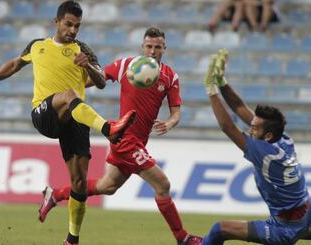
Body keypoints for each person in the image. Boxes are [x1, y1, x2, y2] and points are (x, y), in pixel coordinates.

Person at [0, 1, 136, 245]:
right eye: (68, 24)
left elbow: (101, 81)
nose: (73, 30)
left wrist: (88, 67)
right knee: (68, 95)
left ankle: (72, 239)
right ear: (57, 22)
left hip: (75, 117)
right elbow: (13, 65)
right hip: (44, 113)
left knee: (80, 183)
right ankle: (108, 128)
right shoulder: (38, 45)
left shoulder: (83, 50)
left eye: (77, 26)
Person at [37, 27, 202, 245]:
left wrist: (169, 123)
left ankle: (56, 194)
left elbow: (176, 112)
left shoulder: (170, 76)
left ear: (164, 48)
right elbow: (97, 79)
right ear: (142, 47)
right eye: (149, 46)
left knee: (108, 187)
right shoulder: (125, 65)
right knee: (163, 185)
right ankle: (183, 238)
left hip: (138, 141)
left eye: (158, 47)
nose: (153, 51)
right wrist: (67, 91)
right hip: (124, 138)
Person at [201, 49, 311, 244]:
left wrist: (211, 90)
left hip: (283, 228)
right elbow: (239, 107)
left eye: (253, 128)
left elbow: (227, 127)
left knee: (218, 229)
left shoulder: (266, 154)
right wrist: (222, 81)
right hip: (305, 212)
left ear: (267, 135)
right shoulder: (282, 139)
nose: (249, 130)